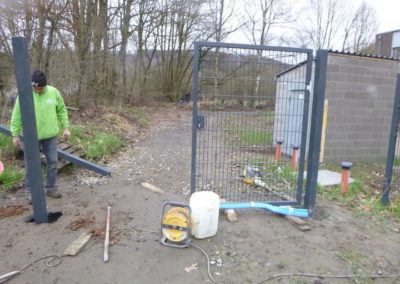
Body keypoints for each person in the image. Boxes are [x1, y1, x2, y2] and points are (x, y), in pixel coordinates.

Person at [10, 70, 70, 200]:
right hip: (30, 137)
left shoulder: (53, 92)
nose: (38, 90)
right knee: (31, 165)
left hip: (50, 136)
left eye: (40, 88)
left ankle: (51, 188)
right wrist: (15, 134)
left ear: (45, 85)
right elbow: (16, 115)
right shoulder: (24, 95)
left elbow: (61, 110)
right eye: (35, 88)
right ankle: (32, 192)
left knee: (53, 162)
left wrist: (66, 127)